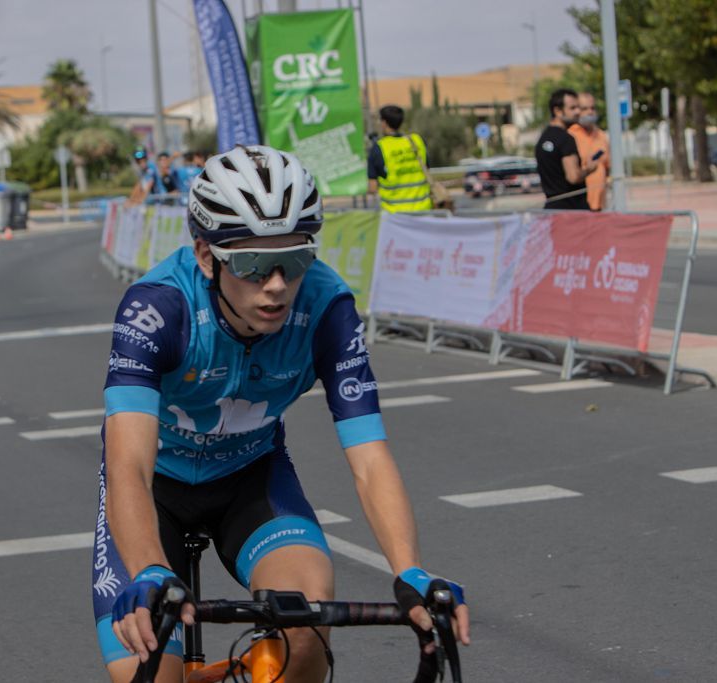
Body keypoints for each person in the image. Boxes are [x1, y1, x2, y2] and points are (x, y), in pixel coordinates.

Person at [93, 144, 469, 682]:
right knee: (148, 670)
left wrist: (409, 570)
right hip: (155, 492)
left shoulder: (326, 308)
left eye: (294, 262)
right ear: (206, 256)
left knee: (306, 626)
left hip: (250, 481)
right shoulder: (157, 310)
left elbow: (369, 458)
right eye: (252, 264)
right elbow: (127, 464)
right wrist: (150, 569)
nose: (276, 285)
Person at [535, 88, 599, 210]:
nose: (578, 112)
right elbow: (573, 177)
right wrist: (589, 169)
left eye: (578, 107)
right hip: (571, 211)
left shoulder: (543, 138)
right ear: (558, 111)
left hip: (552, 209)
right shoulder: (565, 139)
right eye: (572, 108)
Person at [367, 105, 433, 213]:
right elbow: (427, 169)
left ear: (384, 123)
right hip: (423, 212)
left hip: (395, 216)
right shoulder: (417, 141)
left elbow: (372, 187)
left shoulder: (379, 147)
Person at [568, 92, 610, 211]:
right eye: (585, 109)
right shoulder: (570, 135)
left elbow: (607, 168)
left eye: (592, 108)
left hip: (600, 205)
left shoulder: (601, 135)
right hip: (579, 205)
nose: (590, 112)